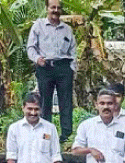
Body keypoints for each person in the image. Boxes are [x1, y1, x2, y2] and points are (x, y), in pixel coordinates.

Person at [27, 0, 77, 142]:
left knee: (66, 101)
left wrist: (72, 68)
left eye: (58, 8)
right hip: (45, 67)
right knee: (45, 101)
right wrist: (37, 59)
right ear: (47, 8)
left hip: (64, 67)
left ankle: (66, 135)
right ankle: (46, 133)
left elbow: (73, 50)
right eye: (52, 7)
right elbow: (31, 47)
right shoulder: (38, 26)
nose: (55, 10)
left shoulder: (67, 29)